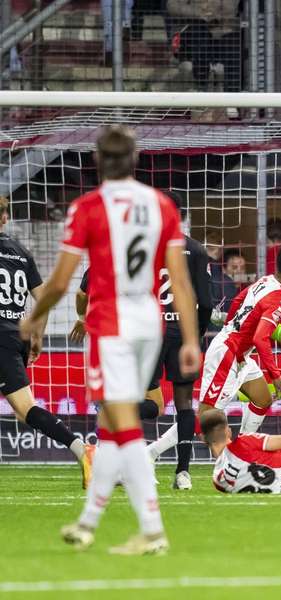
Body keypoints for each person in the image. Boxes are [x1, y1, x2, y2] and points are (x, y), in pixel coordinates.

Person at [19, 125, 201, 554]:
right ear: (136, 161)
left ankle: (153, 530)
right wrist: (191, 339)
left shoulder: (88, 207)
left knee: (124, 426)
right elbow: (180, 279)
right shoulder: (160, 205)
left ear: (97, 162)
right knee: (111, 425)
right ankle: (87, 523)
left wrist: (35, 319)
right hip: (149, 321)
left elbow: (63, 281)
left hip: (112, 323)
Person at [74, 192, 213, 491]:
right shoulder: (196, 250)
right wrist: (196, 333)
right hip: (180, 335)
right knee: (184, 403)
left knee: (147, 403)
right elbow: (206, 302)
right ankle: (183, 473)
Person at [147, 246, 281, 476]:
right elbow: (261, 338)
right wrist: (276, 374)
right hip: (228, 354)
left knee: (262, 399)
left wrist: (231, 326)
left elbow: (239, 299)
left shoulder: (266, 281)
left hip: (240, 354)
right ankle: (150, 453)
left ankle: (242, 453)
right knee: (206, 416)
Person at [0, 196, 91, 488]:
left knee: (26, 410)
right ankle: (82, 449)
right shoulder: (21, 253)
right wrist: (36, 337)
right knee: (25, 409)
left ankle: (83, 450)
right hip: (14, 337)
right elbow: (43, 299)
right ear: (4, 218)